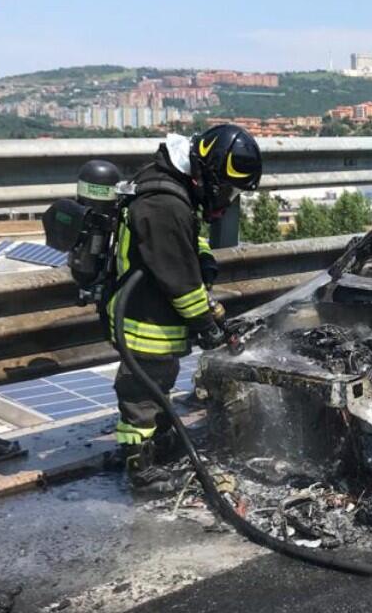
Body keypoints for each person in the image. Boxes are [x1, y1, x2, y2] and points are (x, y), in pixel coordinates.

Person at [109, 124, 262, 492]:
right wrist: (205, 324)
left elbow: (190, 240)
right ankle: (141, 472)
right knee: (142, 397)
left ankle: (159, 449)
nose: (227, 197)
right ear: (208, 174)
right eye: (225, 188)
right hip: (145, 319)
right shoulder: (164, 204)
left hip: (156, 311)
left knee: (158, 385)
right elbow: (179, 276)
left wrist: (205, 260)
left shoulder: (176, 188)